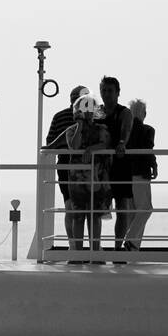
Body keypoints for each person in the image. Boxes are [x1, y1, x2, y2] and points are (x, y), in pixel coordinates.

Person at [65, 94, 114, 253]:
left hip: (96, 178)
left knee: (94, 217)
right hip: (77, 179)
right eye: (83, 109)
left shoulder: (102, 129)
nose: (87, 113)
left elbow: (105, 143)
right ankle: (78, 254)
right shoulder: (71, 131)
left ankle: (94, 253)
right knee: (78, 215)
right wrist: (79, 126)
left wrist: (91, 149)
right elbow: (74, 146)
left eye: (89, 109)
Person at [45, 84, 89, 250]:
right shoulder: (61, 117)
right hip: (68, 167)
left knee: (76, 209)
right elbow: (50, 142)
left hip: (80, 167)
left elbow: (50, 142)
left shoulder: (92, 117)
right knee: (73, 208)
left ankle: (76, 247)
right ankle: (75, 247)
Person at [98, 76, 135, 249]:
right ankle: (94, 248)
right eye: (104, 90)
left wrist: (122, 143)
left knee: (121, 208)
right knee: (96, 208)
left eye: (110, 91)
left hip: (120, 166)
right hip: (101, 167)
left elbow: (125, 131)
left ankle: (117, 248)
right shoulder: (97, 112)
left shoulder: (124, 112)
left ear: (118, 93)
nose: (106, 94)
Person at [122, 98, 158, 251]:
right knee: (145, 209)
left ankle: (133, 247)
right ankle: (130, 240)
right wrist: (154, 165)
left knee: (134, 212)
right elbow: (148, 150)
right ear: (143, 113)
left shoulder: (125, 130)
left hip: (125, 173)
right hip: (140, 173)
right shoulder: (148, 130)